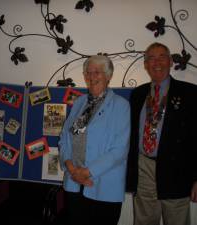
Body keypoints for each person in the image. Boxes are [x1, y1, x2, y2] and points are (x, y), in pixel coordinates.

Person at [126, 42, 197, 225]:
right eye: (151, 58)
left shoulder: (190, 93)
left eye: (161, 57)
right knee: (144, 221)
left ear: (171, 61)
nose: (156, 62)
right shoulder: (138, 94)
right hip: (144, 168)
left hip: (177, 171)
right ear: (145, 64)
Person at [59, 55, 130, 225]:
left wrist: (85, 172)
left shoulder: (121, 105)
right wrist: (70, 167)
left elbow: (119, 150)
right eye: (88, 73)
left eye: (97, 72)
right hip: (74, 184)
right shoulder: (79, 103)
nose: (91, 77)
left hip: (103, 186)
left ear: (108, 76)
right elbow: (65, 139)